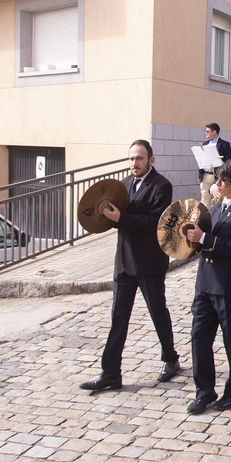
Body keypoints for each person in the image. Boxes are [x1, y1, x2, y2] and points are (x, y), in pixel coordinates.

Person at [80, 140, 181, 392]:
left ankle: (171, 359)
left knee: (158, 313)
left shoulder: (161, 186)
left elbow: (153, 222)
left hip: (149, 263)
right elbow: (112, 218)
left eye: (139, 159)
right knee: (118, 319)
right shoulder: (122, 185)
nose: (134, 163)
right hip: (123, 263)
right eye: (131, 159)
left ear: (151, 160)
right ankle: (110, 373)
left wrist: (120, 218)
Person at [184, 160, 231, 414]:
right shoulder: (214, 209)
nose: (217, 184)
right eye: (218, 179)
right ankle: (204, 391)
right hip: (206, 284)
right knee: (199, 339)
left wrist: (204, 239)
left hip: (229, 287)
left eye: (223, 181)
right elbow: (203, 242)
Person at [198, 123, 231, 208]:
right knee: (204, 198)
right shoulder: (205, 144)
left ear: (214, 132)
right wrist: (200, 174)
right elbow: (201, 160)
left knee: (218, 197)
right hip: (205, 174)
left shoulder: (225, 144)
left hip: (217, 176)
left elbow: (228, 161)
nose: (205, 133)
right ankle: (204, 219)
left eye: (207, 131)